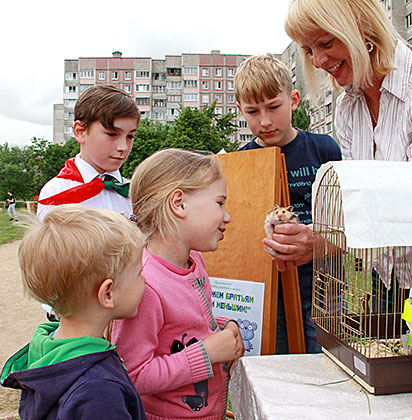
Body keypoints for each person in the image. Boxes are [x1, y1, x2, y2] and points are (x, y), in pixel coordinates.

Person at [284, 0, 412, 310]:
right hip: (385, 282)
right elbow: (364, 201)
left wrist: (325, 241)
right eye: (308, 51)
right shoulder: (346, 108)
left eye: (325, 43)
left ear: (362, 28)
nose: (317, 61)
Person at [112, 148, 244, 420]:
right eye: (220, 203)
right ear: (179, 203)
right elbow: (133, 375)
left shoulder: (193, 261)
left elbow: (181, 328)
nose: (227, 216)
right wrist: (207, 353)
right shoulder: (144, 284)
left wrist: (221, 326)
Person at [235, 54, 342, 354]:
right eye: (253, 111)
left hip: (324, 284)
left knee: (327, 363)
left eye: (273, 107)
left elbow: (343, 217)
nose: (265, 121)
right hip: (270, 290)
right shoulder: (241, 162)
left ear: (294, 100)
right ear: (240, 111)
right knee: (276, 368)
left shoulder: (324, 149)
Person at [0, 205, 147, 420]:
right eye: (139, 273)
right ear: (107, 294)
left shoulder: (47, 346)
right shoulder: (98, 392)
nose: (144, 280)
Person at [36, 84, 141, 221]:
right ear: (80, 131)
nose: (123, 147)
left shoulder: (133, 192)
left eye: (130, 137)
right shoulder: (56, 192)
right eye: (112, 134)